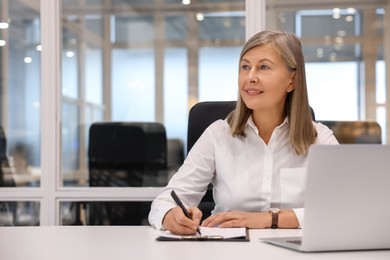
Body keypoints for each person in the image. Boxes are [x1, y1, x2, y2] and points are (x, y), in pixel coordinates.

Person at [148, 30, 339, 235]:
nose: (250, 77)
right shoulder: (218, 134)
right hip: (228, 250)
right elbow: (165, 201)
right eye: (245, 67)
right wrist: (170, 215)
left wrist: (270, 219)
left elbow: (344, 208)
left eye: (264, 67)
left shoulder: (319, 139)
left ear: (292, 81)